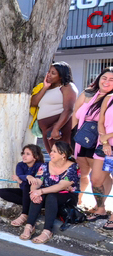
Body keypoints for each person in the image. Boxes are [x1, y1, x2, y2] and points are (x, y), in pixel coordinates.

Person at [18, 141, 80, 244]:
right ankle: (29, 226)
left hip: (67, 196)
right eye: (51, 151)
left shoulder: (73, 167)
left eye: (54, 151)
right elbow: (37, 181)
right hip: (48, 193)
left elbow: (61, 186)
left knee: (50, 196)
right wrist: (34, 192)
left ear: (63, 155)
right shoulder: (45, 165)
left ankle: (47, 231)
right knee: (38, 194)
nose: (50, 153)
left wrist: (40, 191)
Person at [73, 68, 113, 200]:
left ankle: (100, 204)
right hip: (82, 137)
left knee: (101, 175)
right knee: (82, 171)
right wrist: (74, 133)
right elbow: (75, 113)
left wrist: (105, 139)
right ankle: (79, 200)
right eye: (104, 78)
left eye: (111, 80)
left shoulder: (110, 99)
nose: (106, 82)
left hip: (99, 140)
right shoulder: (88, 93)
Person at [31, 62, 77, 153]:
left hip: (59, 127)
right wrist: (45, 87)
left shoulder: (67, 87)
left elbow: (69, 109)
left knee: (61, 156)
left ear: (61, 76)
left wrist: (56, 128)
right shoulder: (47, 88)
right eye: (49, 72)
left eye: (53, 73)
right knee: (53, 156)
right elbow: (33, 103)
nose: (49, 75)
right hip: (46, 129)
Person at [0, 144, 46, 226]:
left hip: (37, 193)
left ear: (35, 157)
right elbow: (20, 176)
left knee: (27, 184)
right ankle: (30, 204)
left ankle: (24, 214)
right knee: (2, 192)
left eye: (28, 154)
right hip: (25, 192)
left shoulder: (40, 166)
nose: (24, 156)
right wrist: (27, 177)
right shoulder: (20, 165)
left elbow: (34, 183)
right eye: (23, 153)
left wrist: (20, 181)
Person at [92, 88, 113, 230]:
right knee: (96, 180)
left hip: (107, 141)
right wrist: (105, 142)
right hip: (104, 147)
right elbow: (101, 122)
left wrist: (108, 135)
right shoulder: (109, 97)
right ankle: (100, 209)